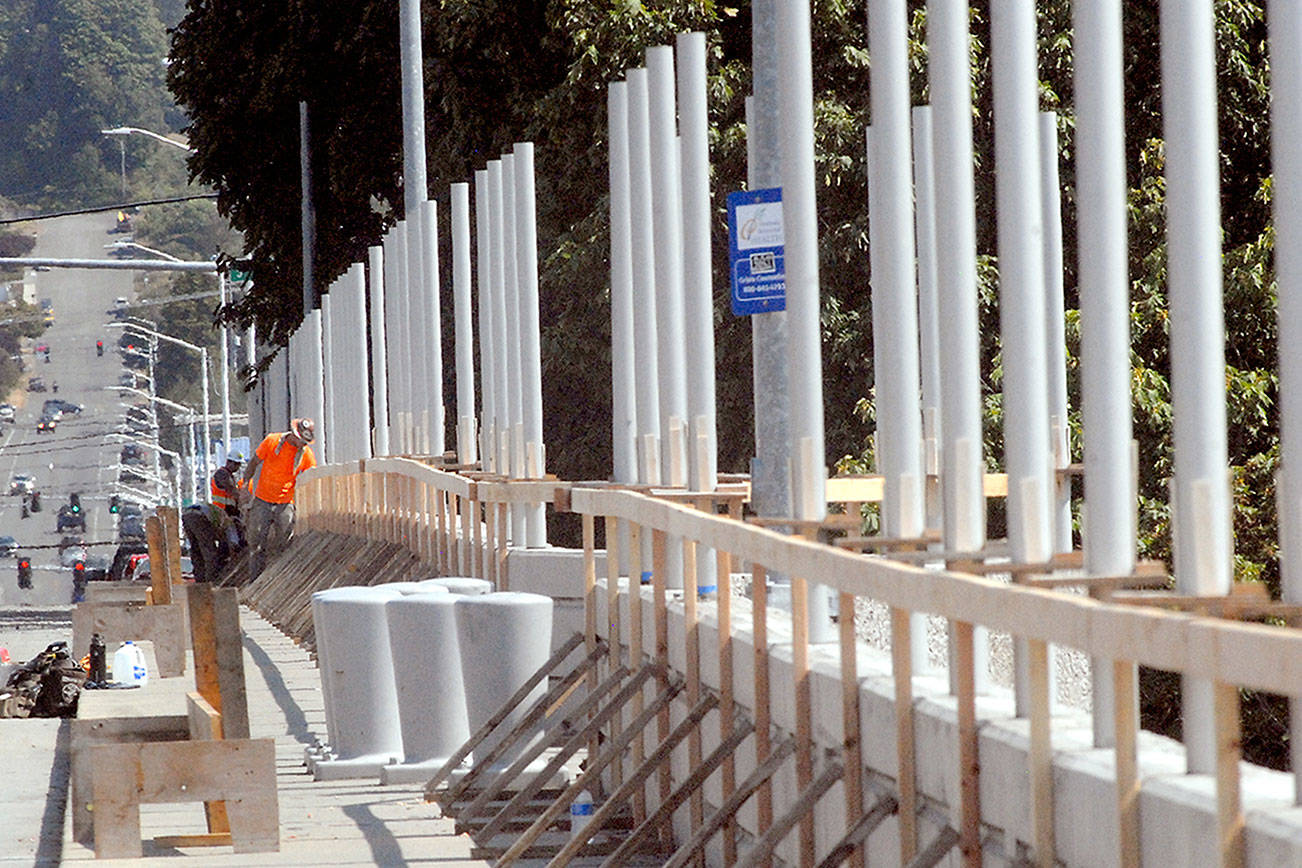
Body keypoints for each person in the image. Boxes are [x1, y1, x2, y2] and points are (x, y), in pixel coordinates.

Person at [243, 418, 316, 581]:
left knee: (285, 544)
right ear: (294, 435)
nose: (302, 445)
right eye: (300, 440)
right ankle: (255, 580)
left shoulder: (306, 455)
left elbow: (312, 478)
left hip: (286, 503)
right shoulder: (272, 441)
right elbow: (254, 462)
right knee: (256, 542)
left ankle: (281, 579)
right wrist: (246, 483)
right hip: (263, 500)